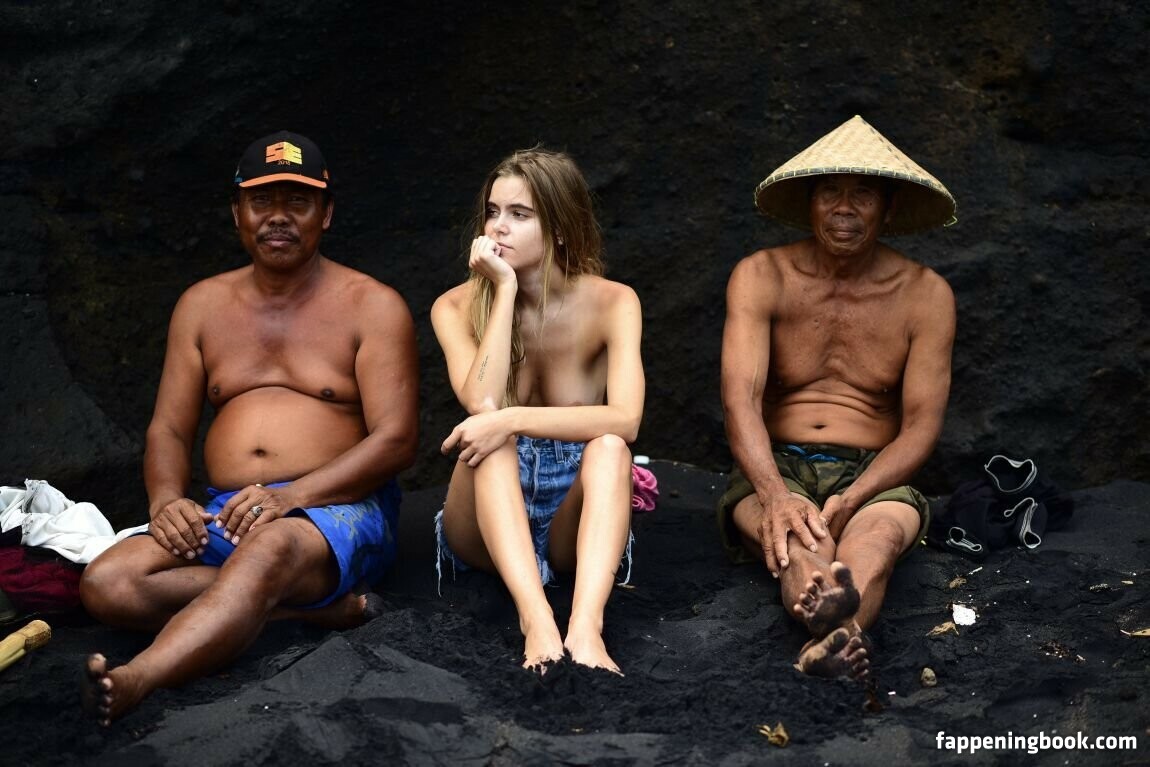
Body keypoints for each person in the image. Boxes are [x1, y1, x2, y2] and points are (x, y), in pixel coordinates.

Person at [78, 131, 419, 725]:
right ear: (237, 212)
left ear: (326, 214)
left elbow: (396, 440)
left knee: (270, 548)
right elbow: (168, 430)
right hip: (231, 509)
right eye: (262, 201)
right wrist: (166, 501)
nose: (278, 217)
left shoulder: (373, 305)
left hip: (336, 508)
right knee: (107, 581)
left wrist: (293, 496)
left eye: (298, 202)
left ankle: (139, 677)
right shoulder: (202, 306)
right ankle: (310, 613)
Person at [717, 115, 957, 679]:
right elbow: (740, 400)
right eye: (830, 192)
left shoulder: (925, 295)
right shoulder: (762, 275)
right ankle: (838, 628)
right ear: (810, 203)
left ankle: (836, 632)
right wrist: (775, 494)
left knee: (874, 545)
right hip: (776, 467)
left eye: (863, 195)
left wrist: (855, 497)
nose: (844, 209)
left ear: (889, 209)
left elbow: (921, 426)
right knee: (797, 549)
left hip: (875, 473)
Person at [431, 148, 644, 674]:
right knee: (492, 439)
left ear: (561, 228)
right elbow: (482, 404)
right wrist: (503, 289)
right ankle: (537, 621)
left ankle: (586, 627)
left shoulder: (614, 302)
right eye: (493, 211)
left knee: (611, 449)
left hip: (572, 511)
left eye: (520, 214)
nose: (498, 227)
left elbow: (625, 419)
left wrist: (513, 418)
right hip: (485, 516)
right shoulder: (454, 306)